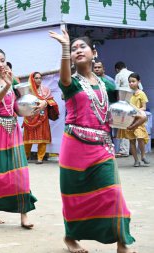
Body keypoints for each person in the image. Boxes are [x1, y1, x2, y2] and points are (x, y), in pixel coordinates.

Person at [49, 30, 136, 253]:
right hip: (75, 145)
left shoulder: (106, 84)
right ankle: (71, 238)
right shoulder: (70, 83)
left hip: (102, 146)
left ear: (94, 53)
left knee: (112, 192)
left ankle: (121, 243)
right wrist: (64, 48)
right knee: (74, 196)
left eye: (82, 47)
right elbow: (66, 78)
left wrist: (137, 115)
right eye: (74, 48)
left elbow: (117, 111)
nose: (78, 50)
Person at [0, 48, 40, 227]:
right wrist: (7, 85)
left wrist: (32, 108)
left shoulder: (14, 81)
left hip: (12, 127)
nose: (0, 64)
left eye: (2, 60)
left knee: (18, 170)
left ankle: (24, 214)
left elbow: (17, 106)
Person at [117, 73, 150, 167]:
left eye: (133, 81)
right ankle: (136, 160)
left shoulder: (141, 93)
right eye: (130, 82)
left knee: (140, 137)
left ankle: (143, 156)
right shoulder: (127, 93)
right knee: (131, 140)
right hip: (128, 120)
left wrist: (137, 110)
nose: (131, 83)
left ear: (139, 82)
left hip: (138, 119)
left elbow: (144, 107)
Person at [22, 72, 56, 164]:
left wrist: (45, 102)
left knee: (42, 138)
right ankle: (25, 157)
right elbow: (22, 101)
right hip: (30, 116)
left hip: (42, 116)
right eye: (36, 78)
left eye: (40, 78)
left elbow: (51, 100)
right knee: (28, 139)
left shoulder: (45, 90)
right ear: (32, 79)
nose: (39, 80)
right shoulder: (28, 90)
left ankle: (40, 158)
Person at [114, 61, 142, 158]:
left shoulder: (119, 75)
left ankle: (124, 150)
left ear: (117, 69)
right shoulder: (132, 74)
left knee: (124, 125)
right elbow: (140, 89)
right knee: (134, 124)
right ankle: (133, 149)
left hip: (124, 105)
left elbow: (117, 90)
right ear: (126, 66)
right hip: (135, 102)